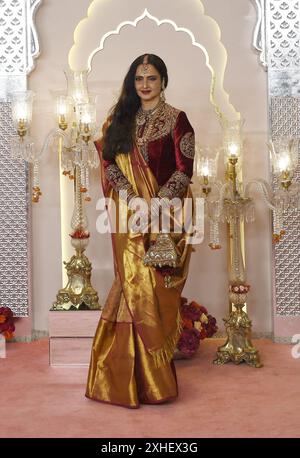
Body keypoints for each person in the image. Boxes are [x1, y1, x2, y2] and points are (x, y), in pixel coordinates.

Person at [86, 53, 195, 408]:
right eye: (139, 79)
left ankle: (153, 381)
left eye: (151, 78)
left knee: (152, 288)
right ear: (133, 83)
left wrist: (155, 204)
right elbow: (108, 164)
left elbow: (183, 172)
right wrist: (133, 199)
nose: (145, 85)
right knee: (130, 285)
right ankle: (127, 381)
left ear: (163, 80)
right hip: (129, 217)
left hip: (166, 219)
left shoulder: (178, 120)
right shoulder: (120, 119)